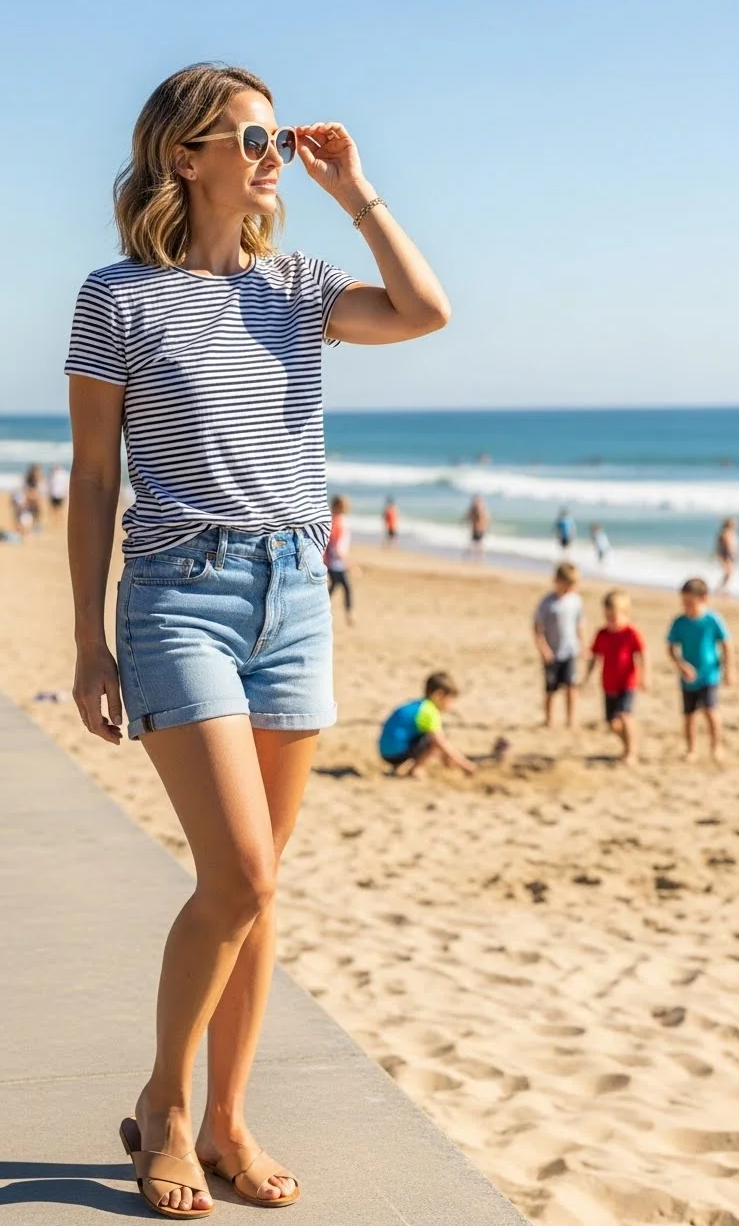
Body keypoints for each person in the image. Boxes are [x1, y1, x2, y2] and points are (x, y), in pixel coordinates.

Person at [65, 62, 450, 1217]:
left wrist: (359, 192)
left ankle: (230, 1120)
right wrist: (87, 644)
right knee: (235, 872)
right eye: (249, 136)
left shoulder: (300, 285)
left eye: (276, 135)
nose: (270, 151)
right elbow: (91, 480)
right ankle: (168, 1108)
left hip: (293, 592)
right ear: (186, 156)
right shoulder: (116, 296)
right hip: (178, 594)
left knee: (261, 888)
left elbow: (426, 313)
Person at [667, 578, 734, 765]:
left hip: (709, 675)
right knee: (689, 715)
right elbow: (671, 647)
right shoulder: (679, 622)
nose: (686, 607)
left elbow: (727, 644)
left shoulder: (713, 620)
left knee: (711, 711)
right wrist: (681, 665)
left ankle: (716, 746)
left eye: (690, 603)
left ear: (704, 598)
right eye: (684, 603)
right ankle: (691, 749)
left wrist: (728, 670)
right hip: (687, 678)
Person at [583, 589, 648, 765]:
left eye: (614, 617)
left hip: (627, 682)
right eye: (607, 617)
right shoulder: (602, 634)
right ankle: (627, 745)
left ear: (626, 614)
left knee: (625, 715)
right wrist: (586, 678)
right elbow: (594, 657)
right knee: (612, 723)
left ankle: (632, 752)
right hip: (608, 684)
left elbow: (642, 654)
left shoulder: (631, 633)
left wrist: (644, 677)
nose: (610, 621)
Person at [378, 672, 476, 779]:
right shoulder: (429, 712)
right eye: (450, 700)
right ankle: (417, 769)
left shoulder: (417, 705)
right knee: (434, 739)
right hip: (397, 754)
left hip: (385, 752)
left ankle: (398, 768)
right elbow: (441, 743)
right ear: (439, 695)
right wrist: (466, 765)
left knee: (428, 735)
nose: (450, 705)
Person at [533, 562, 585, 729]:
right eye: (568, 584)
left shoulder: (576, 601)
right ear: (557, 581)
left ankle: (571, 720)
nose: (570, 588)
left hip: (570, 651)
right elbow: (537, 628)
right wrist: (543, 648)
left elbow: (580, 624)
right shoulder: (547, 603)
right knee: (550, 689)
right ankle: (549, 719)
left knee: (571, 686)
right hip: (552, 652)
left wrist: (582, 645)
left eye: (573, 584)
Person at [324, 494, 353, 624]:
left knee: (335, 586)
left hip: (334, 561)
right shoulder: (337, 522)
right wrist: (348, 562)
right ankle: (349, 614)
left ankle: (323, 609)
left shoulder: (336, 520)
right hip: (336, 562)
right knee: (345, 587)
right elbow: (336, 545)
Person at [714, 517, 739, 595]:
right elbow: (726, 546)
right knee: (728, 573)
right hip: (727, 556)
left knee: (728, 574)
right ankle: (721, 589)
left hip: (729, 556)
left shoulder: (729, 533)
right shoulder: (726, 533)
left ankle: (723, 588)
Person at [464, 493, 489, 560]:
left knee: (477, 544)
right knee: (474, 543)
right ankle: (477, 558)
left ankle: (479, 558)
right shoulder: (476, 508)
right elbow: (468, 517)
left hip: (479, 529)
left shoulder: (480, 509)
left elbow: (485, 518)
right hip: (476, 528)